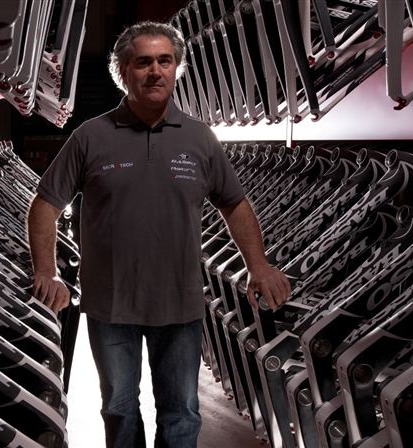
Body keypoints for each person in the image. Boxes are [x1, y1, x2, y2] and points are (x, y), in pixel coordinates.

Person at [26, 21, 291, 448]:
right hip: (111, 304)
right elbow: (45, 205)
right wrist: (47, 271)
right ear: (122, 71)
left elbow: (235, 204)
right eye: (143, 62)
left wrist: (258, 266)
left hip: (180, 303)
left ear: (176, 69)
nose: (155, 72)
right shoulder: (90, 137)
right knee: (118, 409)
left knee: (181, 412)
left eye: (165, 61)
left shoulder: (200, 138)